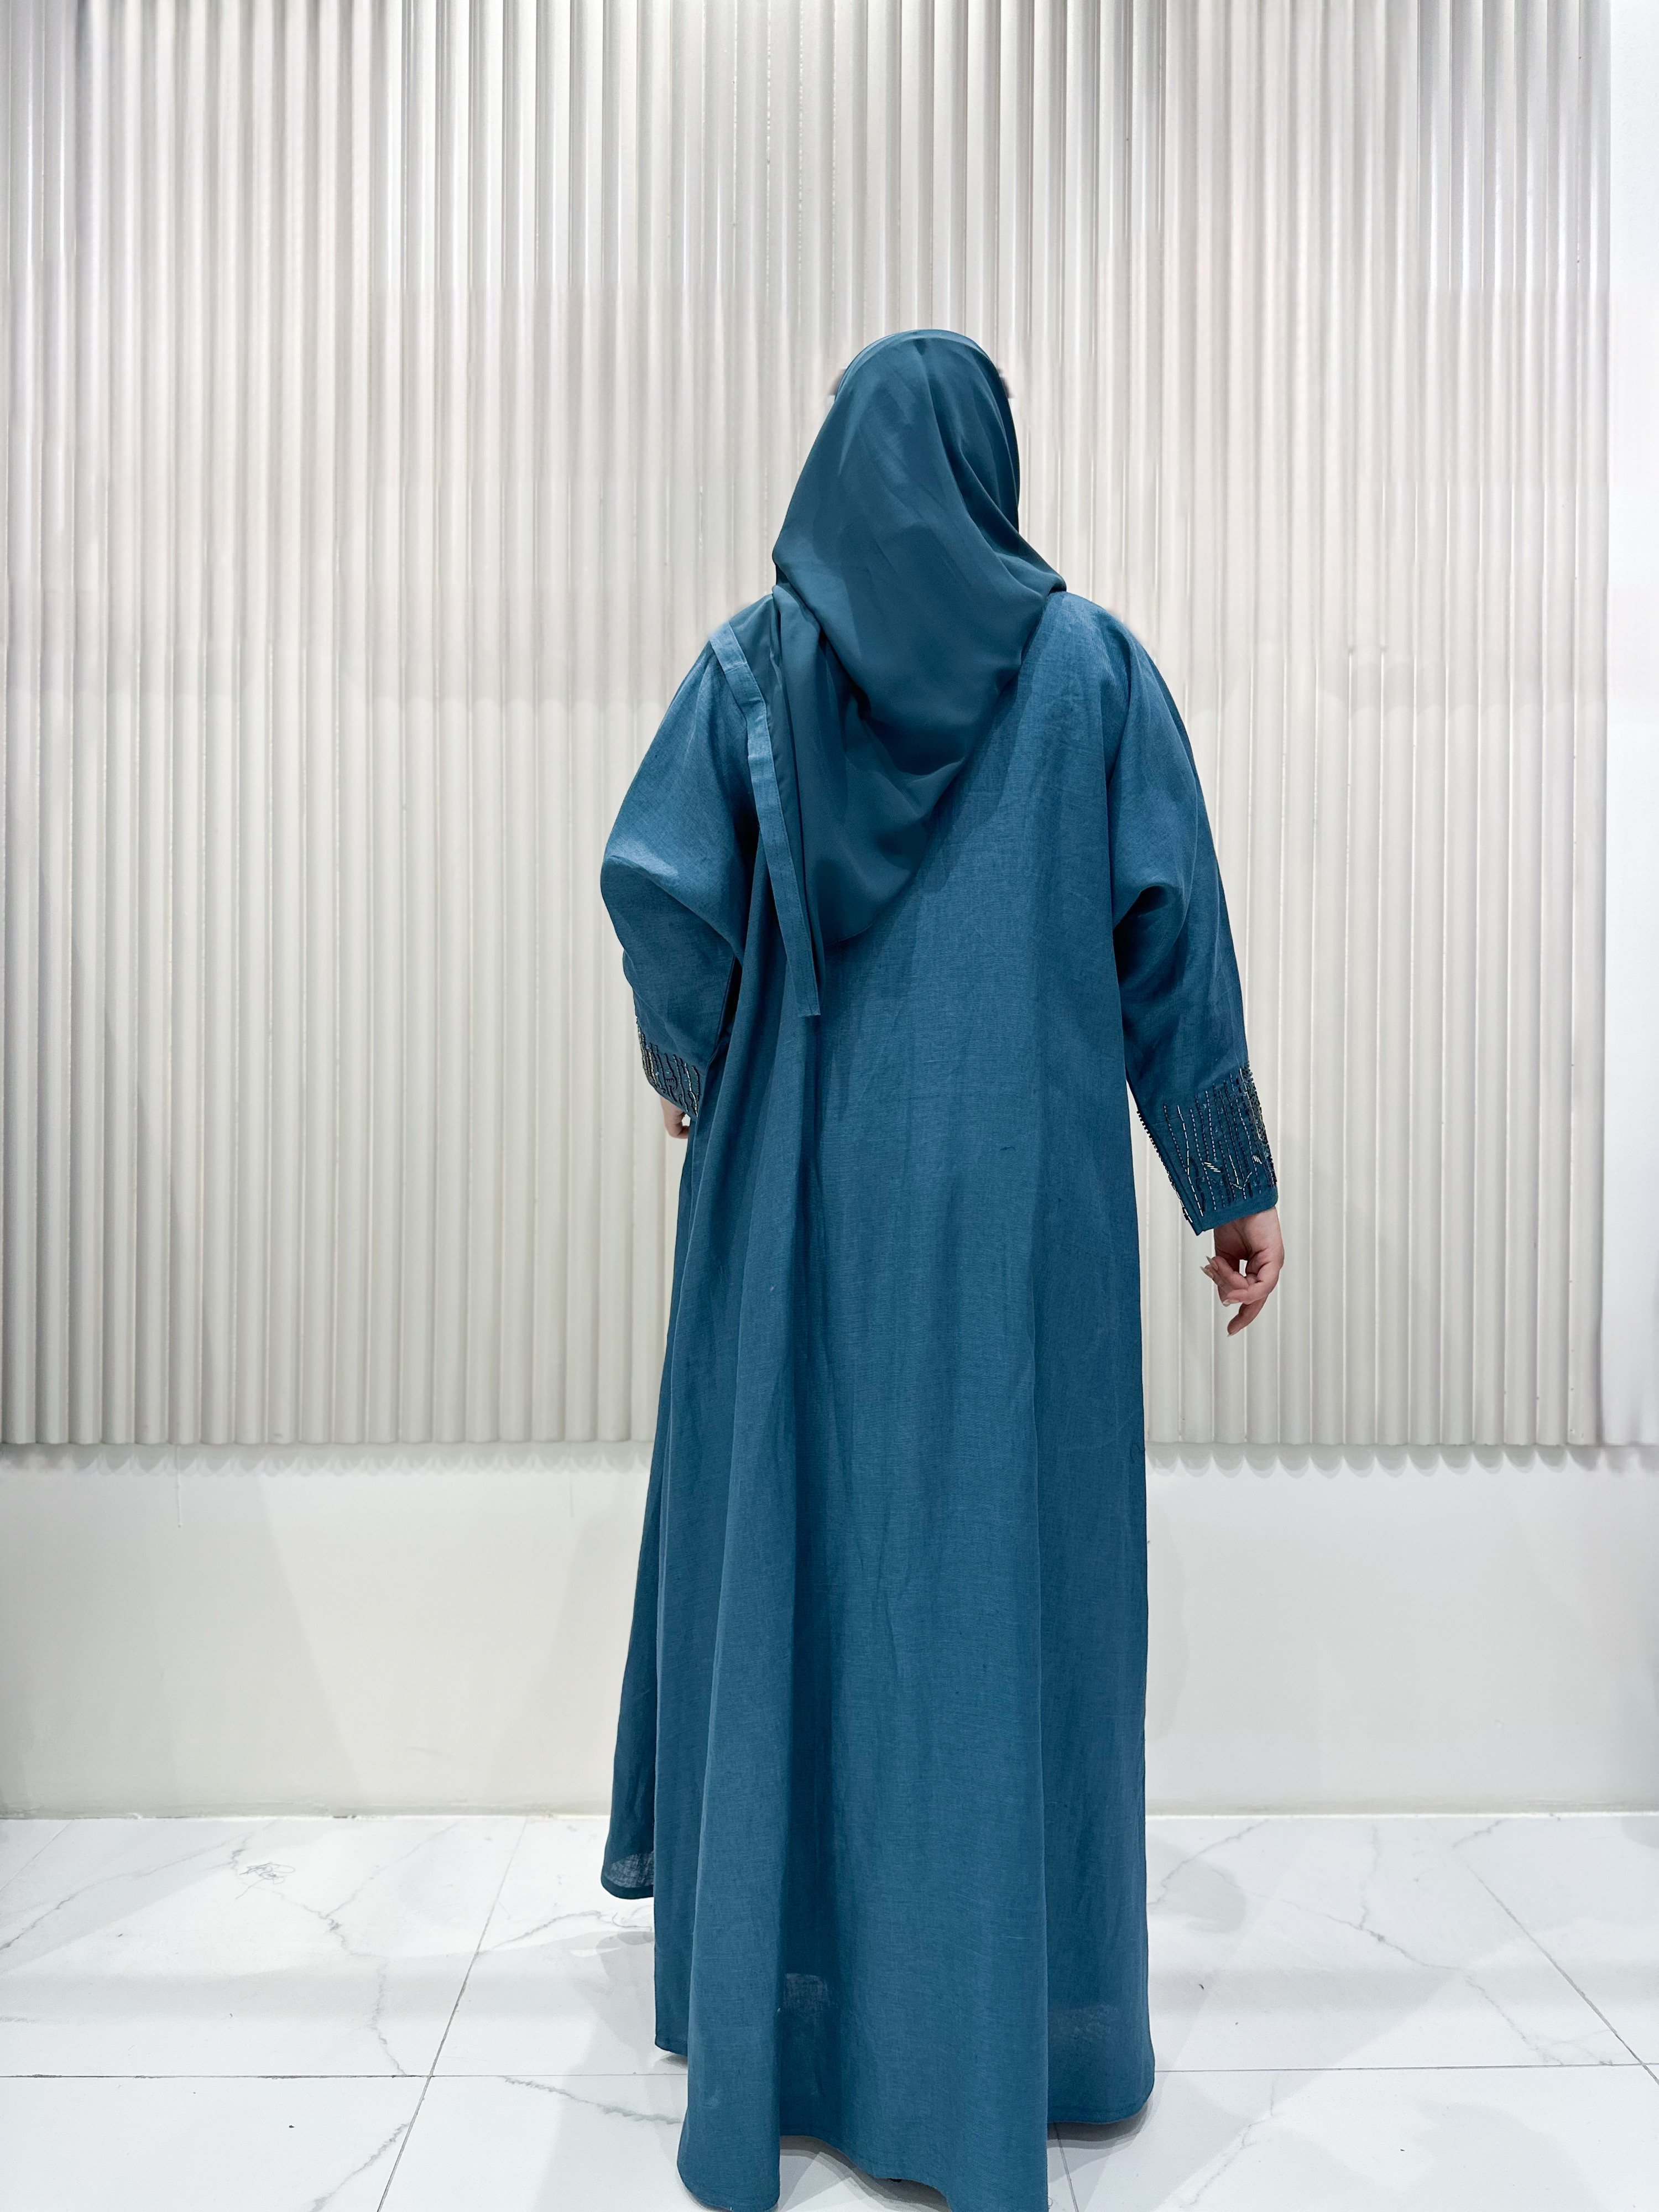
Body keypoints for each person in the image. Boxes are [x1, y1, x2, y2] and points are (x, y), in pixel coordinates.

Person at [597, 327, 1282, 2212]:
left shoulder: (751, 670)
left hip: (796, 1218)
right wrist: (1227, 1184)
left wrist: (695, 1065)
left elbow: (658, 885)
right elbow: (1170, 931)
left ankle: (791, 2023)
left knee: (803, 1575)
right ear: (988, 468)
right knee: (997, 1595)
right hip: (1017, 1242)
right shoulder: (1090, 673)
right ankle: (1012, 2033)